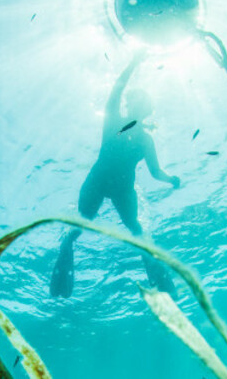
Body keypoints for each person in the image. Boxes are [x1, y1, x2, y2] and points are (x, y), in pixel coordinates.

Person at [50, 54, 180, 298]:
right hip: (106, 183)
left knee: (126, 227)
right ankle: (66, 250)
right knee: (121, 227)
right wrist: (132, 64)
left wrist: (171, 179)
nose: (135, 106)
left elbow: (155, 172)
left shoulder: (136, 134)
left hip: (109, 184)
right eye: (135, 102)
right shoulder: (123, 126)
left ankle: (159, 278)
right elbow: (117, 90)